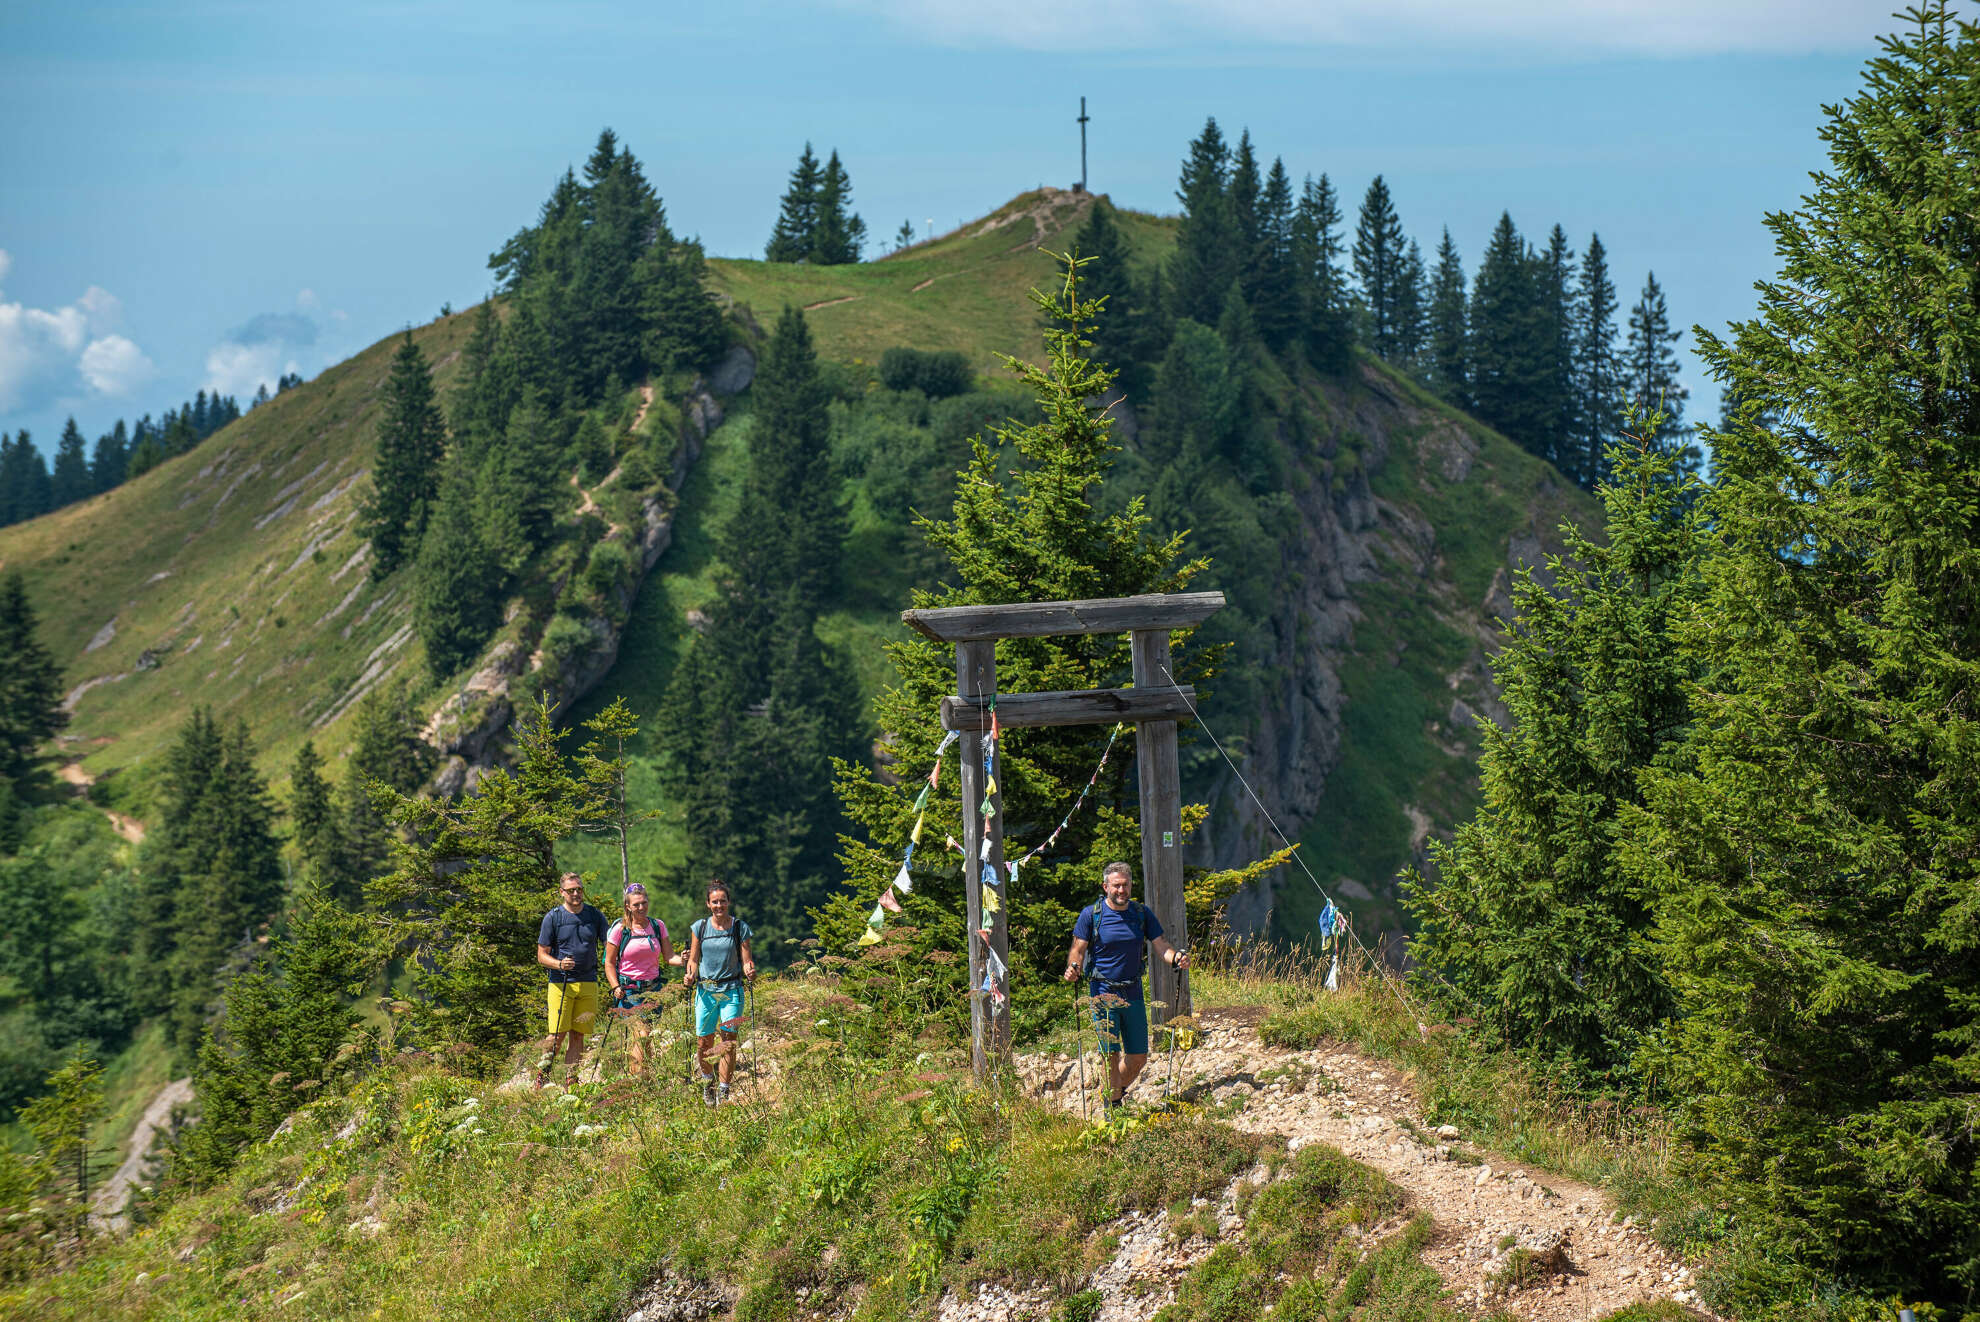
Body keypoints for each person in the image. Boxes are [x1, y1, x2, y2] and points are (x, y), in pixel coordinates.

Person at [1062, 860, 1189, 1115]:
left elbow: (1161, 945)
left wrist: (1176, 958)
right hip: (1102, 993)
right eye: (1116, 886)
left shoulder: (1141, 914)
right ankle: (1113, 1108)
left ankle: (1111, 1091)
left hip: (1133, 991)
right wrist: (1073, 968)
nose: (1121, 891)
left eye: (1126, 885)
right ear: (1105, 886)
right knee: (1110, 1053)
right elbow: (1078, 949)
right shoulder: (1092, 914)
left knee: (1139, 1057)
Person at [683, 879, 754, 1106]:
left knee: (727, 1040)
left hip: (731, 989)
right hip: (706, 990)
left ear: (729, 902)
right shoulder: (700, 928)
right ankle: (707, 1083)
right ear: (708, 904)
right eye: (715, 902)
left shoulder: (740, 927)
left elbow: (746, 960)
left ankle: (723, 1090)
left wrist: (750, 970)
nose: (719, 906)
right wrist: (690, 974)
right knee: (704, 1042)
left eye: (722, 901)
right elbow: (693, 960)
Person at [535, 872, 609, 1090]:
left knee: (578, 1035)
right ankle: (543, 1075)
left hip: (588, 981)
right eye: (571, 890)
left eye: (579, 889)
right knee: (557, 1034)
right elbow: (541, 955)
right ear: (562, 892)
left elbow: (609, 945)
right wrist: (559, 964)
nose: (576, 894)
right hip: (561, 982)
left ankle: (572, 1081)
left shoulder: (594, 916)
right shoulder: (553, 918)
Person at [604, 882, 682, 1078]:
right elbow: (609, 963)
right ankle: (638, 1082)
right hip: (628, 991)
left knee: (645, 1038)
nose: (641, 907)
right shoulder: (620, 930)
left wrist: (687, 960)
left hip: (653, 990)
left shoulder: (657, 926)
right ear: (628, 906)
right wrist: (615, 986)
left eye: (644, 903)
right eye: (636, 904)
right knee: (641, 1035)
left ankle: (644, 1080)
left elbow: (669, 957)